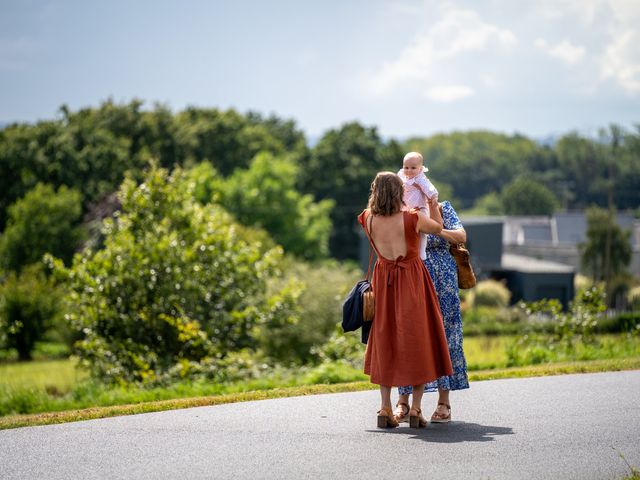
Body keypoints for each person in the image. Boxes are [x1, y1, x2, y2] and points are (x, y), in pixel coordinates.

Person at [357, 172, 453, 429]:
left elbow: (373, 223)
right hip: (411, 279)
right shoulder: (411, 218)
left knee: (384, 339)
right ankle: (416, 410)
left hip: (384, 281)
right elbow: (438, 227)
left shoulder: (367, 218)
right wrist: (432, 203)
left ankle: (386, 406)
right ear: (399, 191)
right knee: (418, 340)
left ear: (375, 191)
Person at [395, 200, 470, 424]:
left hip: (443, 274)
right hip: (412, 272)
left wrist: (435, 228)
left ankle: (443, 402)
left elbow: (461, 236)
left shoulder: (443, 207)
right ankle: (403, 401)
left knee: (446, 333)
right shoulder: (402, 209)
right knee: (408, 336)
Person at [397, 152, 438, 261]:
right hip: (405, 207)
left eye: (413, 168)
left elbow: (429, 187)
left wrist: (433, 196)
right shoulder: (401, 175)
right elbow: (395, 183)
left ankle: (421, 253)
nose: (409, 170)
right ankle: (404, 250)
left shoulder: (420, 178)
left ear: (420, 168)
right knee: (403, 229)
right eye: (406, 167)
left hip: (420, 206)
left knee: (422, 232)